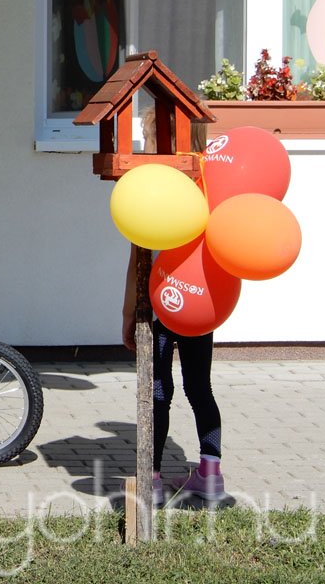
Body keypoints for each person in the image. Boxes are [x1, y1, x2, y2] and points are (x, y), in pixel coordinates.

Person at [121, 106, 225, 507]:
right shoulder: (213, 183)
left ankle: (153, 478)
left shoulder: (153, 186)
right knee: (201, 387)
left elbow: (138, 259)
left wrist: (128, 311)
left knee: (159, 390)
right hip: (203, 300)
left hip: (164, 300)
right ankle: (211, 474)